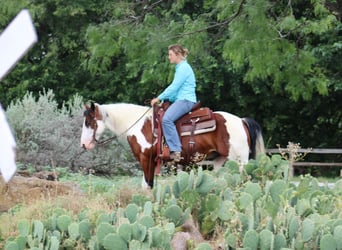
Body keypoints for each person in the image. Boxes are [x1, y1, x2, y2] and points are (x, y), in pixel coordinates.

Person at [151, 44, 197, 162]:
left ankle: (176, 150)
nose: (169, 57)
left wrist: (159, 98)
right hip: (181, 98)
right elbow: (176, 90)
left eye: (170, 54)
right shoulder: (180, 68)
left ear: (177, 55)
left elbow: (174, 87)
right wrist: (165, 100)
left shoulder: (183, 68)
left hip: (186, 100)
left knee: (167, 119)